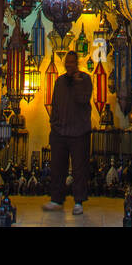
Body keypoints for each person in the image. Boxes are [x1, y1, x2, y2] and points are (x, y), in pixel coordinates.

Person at [43, 51, 92, 215]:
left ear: (76, 63)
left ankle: (78, 201)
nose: (69, 65)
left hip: (79, 133)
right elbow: (55, 103)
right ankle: (56, 199)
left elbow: (83, 100)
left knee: (79, 169)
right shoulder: (60, 81)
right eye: (67, 63)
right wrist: (54, 124)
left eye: (72, 62)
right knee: (57, 167)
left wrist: (77, 82)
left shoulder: (85, 80)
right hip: (60, 132)